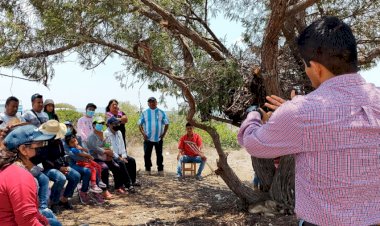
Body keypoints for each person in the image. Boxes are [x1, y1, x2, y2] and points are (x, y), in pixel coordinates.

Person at [238, 16, 380, 226]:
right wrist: (292, 114)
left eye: (306, 66)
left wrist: (254, 115)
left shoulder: (299, 113)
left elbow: (252, 142)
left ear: (316, 67)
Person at [0, 124, 61, 226]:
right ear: (23, 149)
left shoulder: (8, 168)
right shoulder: (20, 177)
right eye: (38, 145)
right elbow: (27, 222)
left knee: (53, 222)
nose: (41, 147)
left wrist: (44, 221)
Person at [31, 120, 80, 214]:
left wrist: (65, 166)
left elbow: (62, 155)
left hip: (59, 166)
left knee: (75, 175)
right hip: (45, 168)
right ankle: (54, 202)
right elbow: (44, 159)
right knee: (60, 178)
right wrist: (59, 168)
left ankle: (64, 199)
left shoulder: (58, 141)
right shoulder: (42, 142)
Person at [62, 121, 92, 205]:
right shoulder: (63, 141)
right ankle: (67, 196)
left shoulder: (77, 138)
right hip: (70, 163)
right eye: (66, 126)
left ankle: (84, 191)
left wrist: (87, 156)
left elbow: (83, 149)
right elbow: (71, 154)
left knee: (92, 169)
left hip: (80, 162)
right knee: (85, 171)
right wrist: (85, 158)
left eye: (69, 126)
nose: (68, 128)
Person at [104, 116, 139, 187]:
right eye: (115, 124)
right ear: (109, 125)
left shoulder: (119, 132)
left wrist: (124, 156)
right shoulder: (105, 134)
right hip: (112, 156)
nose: (117, 125)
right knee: (121, 162)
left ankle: (133, 181)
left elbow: (122, 145)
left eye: (118, 124)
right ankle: (127, 184)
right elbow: (108, 149)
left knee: (131, 160)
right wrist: (119, 157)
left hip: (121, 155)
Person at [138, 97, 169, 175]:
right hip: (148, 138)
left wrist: (164, 134)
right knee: (147, 155)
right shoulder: (144, 112)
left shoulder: (161, 112)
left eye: (153, 102)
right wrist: (143, 134)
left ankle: (160, 170)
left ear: (156, 103)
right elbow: (139, 124)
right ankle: (147, 169)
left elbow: (167, 124)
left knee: (159, 155)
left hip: (158, 138)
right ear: (148, 103)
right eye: (150, 102)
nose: (152, 103)